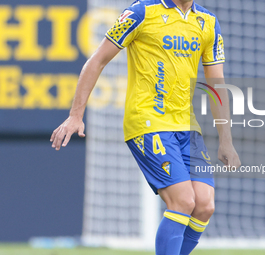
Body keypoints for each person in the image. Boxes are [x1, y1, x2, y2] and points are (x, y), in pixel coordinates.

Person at [50, 0, 241, 254]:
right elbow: (97, 61)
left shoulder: (208, 23)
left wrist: (225, 139)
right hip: (148, 122)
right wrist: (75, 115)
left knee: (204, 205)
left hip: (187, 126)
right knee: (183, 201)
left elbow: (217, 84)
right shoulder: (140, 12)